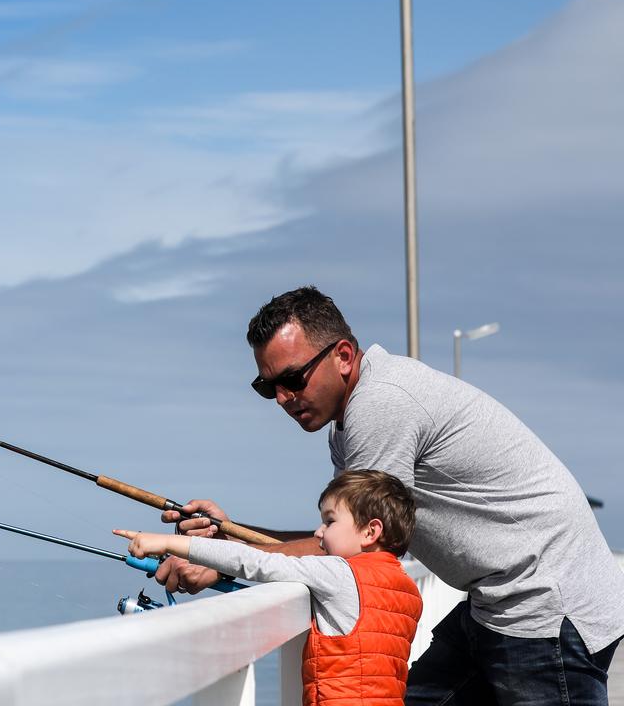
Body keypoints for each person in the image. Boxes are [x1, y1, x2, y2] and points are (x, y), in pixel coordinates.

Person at [155, 286, 624, 705]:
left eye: (293, 379)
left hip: (545, 609)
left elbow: (356, 552)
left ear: (342, 355)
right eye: (267, 386)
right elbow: (341, 536)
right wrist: (232, 536)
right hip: (498, 603)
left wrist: (221, 555)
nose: (282, 397)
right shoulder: (353, 415)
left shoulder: (380, 405)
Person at [117, 469, 423, 705]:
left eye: (329, 522)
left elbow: (255, 562)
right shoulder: (407, 590)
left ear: (370, 531)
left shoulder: (340, 573)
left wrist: (172, 542)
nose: (318, 533)